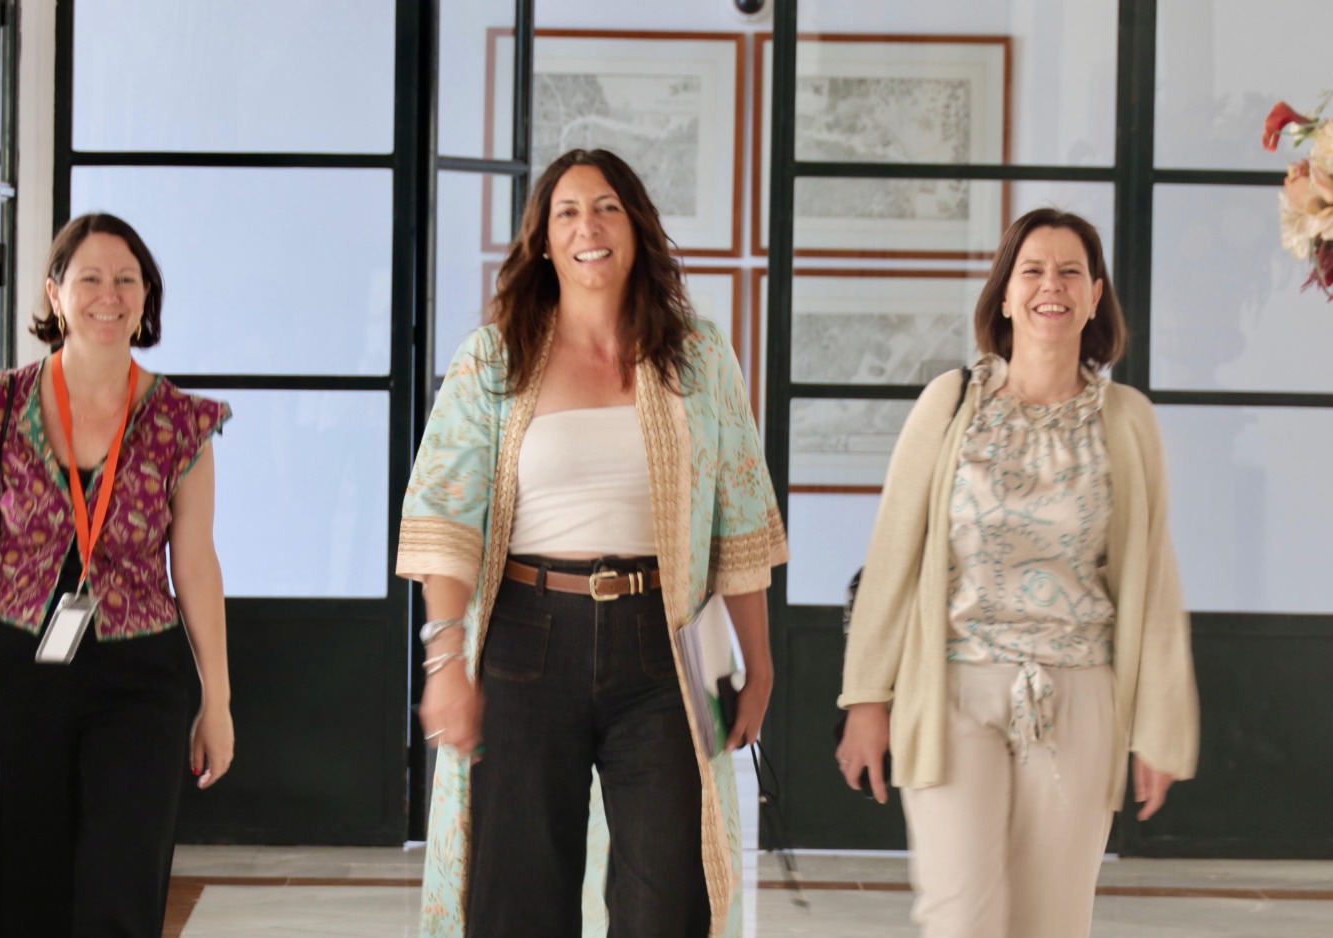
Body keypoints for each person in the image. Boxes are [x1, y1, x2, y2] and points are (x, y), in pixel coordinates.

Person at [397, 148, 787, 938]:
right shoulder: (494, 358)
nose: (589, 227)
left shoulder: (700, 356)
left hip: (664, 644)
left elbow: (739, 515)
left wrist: (759, 665)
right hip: (525, 640)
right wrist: (444, 663)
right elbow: (445, 519)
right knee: (517, 895)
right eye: (567, 212)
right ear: (543, 240)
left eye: (607, 207)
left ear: (636, 228)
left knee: (668, 896)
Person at [833, 208, 1200, 938]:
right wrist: (866, 699)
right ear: (1004, 295)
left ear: (1095, 297)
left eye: (1070, 272)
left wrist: (1159, 728)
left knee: (1049, 922)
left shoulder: (1127, 420)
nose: (1050, 286)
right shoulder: (950, 404)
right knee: (960, 917)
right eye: (1032, 270)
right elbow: (894, 553)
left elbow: (1154, 583)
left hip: (1080, 696)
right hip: (953, 691)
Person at [0, 212, 235, 936]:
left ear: (146, 297)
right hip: (15, 673)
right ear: (55, 294)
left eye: (127, 280)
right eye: (90, 278)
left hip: (141, 679)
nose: (109, 295)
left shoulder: (181, 423)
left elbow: (196, 562)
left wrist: (217, 700)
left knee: (121, 888)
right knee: (26, 893)